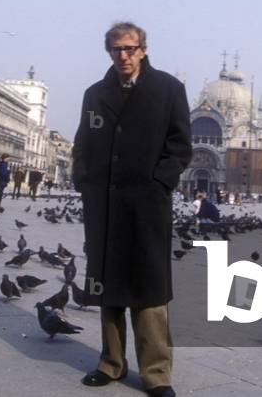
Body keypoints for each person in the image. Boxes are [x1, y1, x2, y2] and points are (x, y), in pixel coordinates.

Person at [71, 21, 191, 397]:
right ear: (109, 52)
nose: (123, 56)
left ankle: (156, 373)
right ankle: (111, 363)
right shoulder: (95, 94)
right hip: (104, 204)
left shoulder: (168, 89)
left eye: (130, 49)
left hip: (147, 205)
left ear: (143, 50)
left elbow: (180, 145)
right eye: (116, 49)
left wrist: (160, 183)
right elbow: (82, 143)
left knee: (149, 286)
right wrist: (84, 181)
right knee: (108, 284)